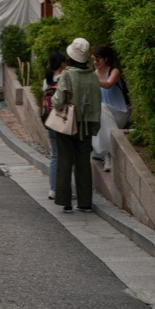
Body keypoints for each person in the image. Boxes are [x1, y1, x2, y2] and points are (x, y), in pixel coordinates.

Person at [52, 38, 101, 213]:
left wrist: (53, 100)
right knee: (83, 163)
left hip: (68, 123)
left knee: (65, 161)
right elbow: (97, 101)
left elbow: (58, 101)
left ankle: (66, 201)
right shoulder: (93, 75)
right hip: (87, 123)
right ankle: (85, 202)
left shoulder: (67, 75)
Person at [91, 46, 131, 172]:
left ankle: (107, 153)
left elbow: (108, 85)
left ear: (106, 59)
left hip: (120, 114)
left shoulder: (114, 72)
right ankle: (105, 154)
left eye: (98, 59)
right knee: (94, 111)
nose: (95, 62)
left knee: (101, 107)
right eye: (93, 60)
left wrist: (91, 79)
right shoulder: (93, 75)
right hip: (104, 116)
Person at [41, 51, 69, 202]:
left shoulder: (47, 81)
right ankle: (65, 189)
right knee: (65, 156)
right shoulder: (65, 78)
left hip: (50, 121)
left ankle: (53, 189)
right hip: (63, 121)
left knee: (54, 156)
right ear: (63, 63)